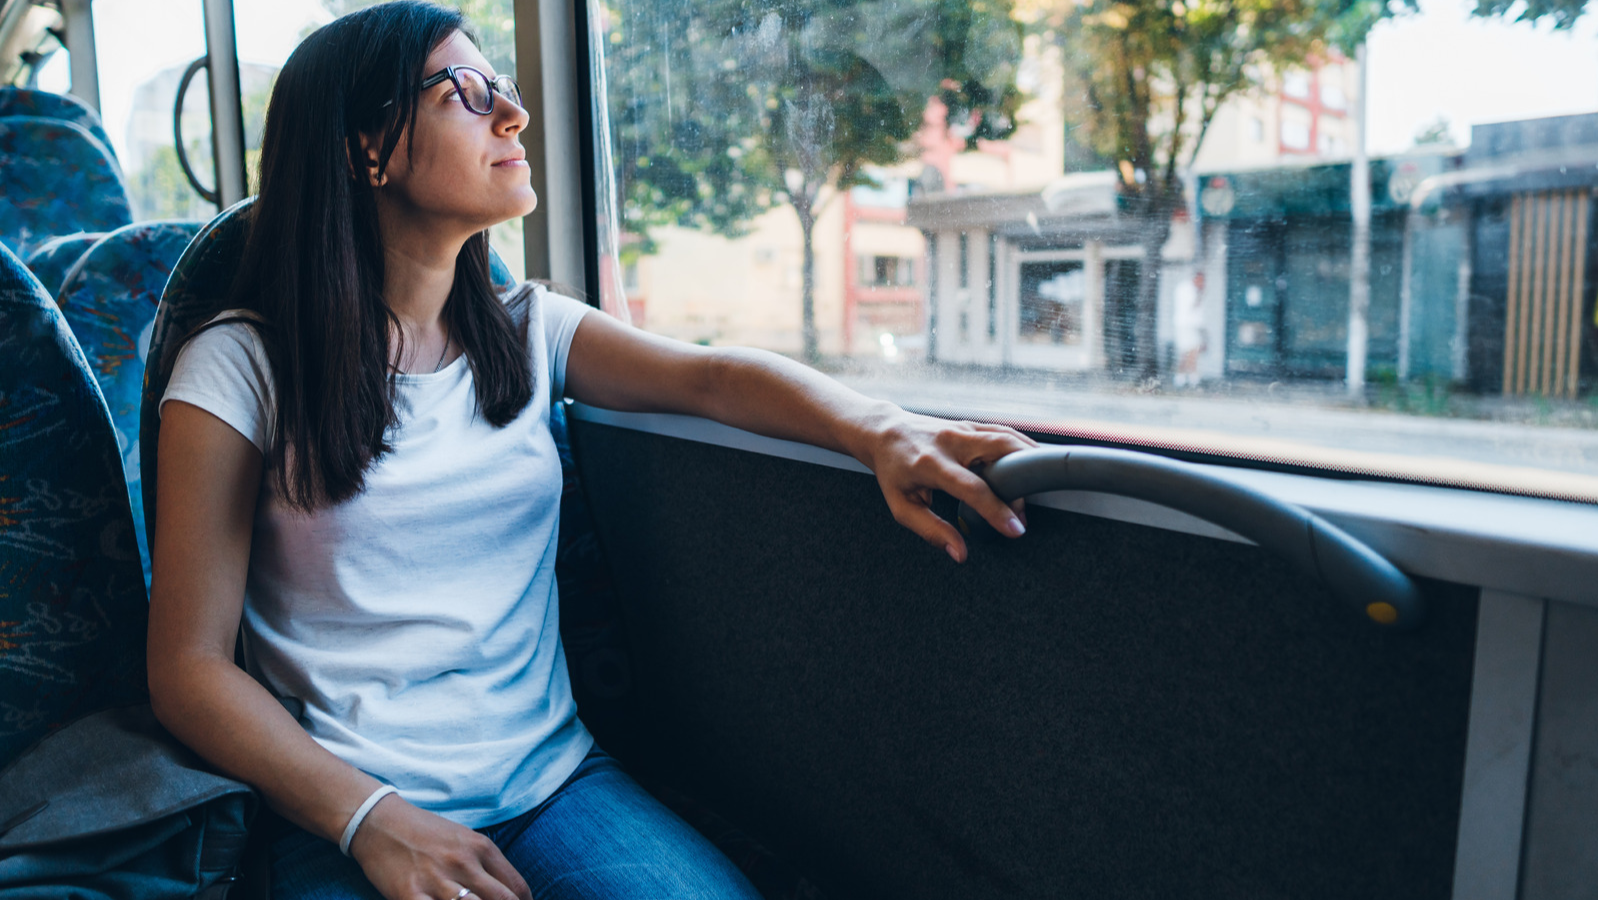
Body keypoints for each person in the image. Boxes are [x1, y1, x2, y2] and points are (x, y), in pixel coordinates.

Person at [146, 4, 1034, 900]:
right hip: (343, 810)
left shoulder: (528, 329)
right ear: (364, 147)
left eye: (508, 88)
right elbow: (189, 667)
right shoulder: (238, 367)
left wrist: (876, 428)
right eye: (466, 92)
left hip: (551, 786)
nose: (513, 115)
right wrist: (368, 818)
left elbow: (711, 380)